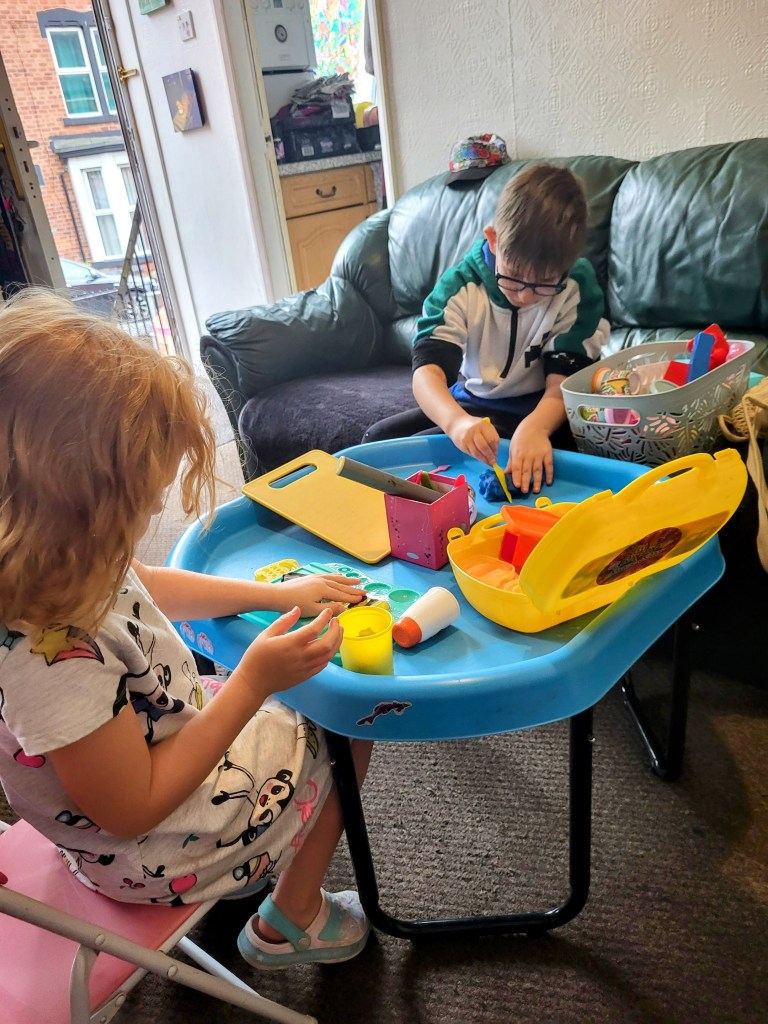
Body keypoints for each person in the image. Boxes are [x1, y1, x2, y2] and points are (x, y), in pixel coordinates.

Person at [0, 288, 372, 970]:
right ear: (78, 499)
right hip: (146, 847)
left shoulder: (60, 558)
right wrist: (256, 678)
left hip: (151, 760)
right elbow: (133, 808)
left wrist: (271, 590)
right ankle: (292, 919)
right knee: (348, 718)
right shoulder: (47, 660)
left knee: (268, 688)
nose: (147, 519)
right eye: (141, 505)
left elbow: (142, 581)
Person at [363, 163, 609, 494]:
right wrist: (456, 423)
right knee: (377, 443)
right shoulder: (460, 287)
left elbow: (564, 384)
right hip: (476, 405)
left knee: (588, 460)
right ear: (493, 240)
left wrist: (535, 428)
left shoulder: (577, 286)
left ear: (565, 268)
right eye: (514, 276)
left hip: (546, 408)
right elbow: (427, 373)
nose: (524, 295)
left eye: (543, 285)